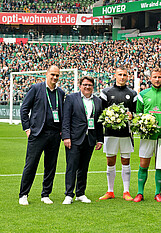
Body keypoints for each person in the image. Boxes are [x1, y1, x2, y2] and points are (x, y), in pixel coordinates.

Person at [19, 65, 65, 205]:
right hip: (38, 134)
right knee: (31, 165)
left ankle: (45, 194)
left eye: (57, 75)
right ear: (46, 74)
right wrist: (27, 129)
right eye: (52, 74)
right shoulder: (36, 88)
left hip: (54, 134)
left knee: (50, 166)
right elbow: (24, 109)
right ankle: (23, 194)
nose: (54, 77)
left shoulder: (61, 93)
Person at [133, 67, 161, 202]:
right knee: (143, 164)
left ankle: (158, 193)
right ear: (150, 78)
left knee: (160, 165)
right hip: (147, 135)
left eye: (159, 77)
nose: (157, 80)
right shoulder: (143, 94)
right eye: (155, 77)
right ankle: (140, 193)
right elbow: (138, 114)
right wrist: (142, 126)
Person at [61, 76, 103, 204]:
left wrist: (100, 139)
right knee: (72, 167)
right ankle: (69, 194)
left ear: (93, 87)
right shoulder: (71, 98)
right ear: (80, 86)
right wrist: (66, 137)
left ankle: (80, 193)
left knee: (84, 168)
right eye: (84, 84)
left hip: (89, 139)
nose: (87, 87)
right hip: (73, 139)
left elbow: (99, 122)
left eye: (89, 85)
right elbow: (66, 119)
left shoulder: (98, 101)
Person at [99, 67, 137, 201]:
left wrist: (132, 116)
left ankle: (126, 191)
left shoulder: (132, 93)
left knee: (125, 160)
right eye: (119, 74)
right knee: (110, 161)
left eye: (124, 75)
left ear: (128, 77)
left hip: (126, 133)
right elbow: (101, 112)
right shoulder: (106, 92)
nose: (122, 77)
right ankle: (110, 191)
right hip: (110, 133)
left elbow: (136, 112)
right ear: (115, 76)